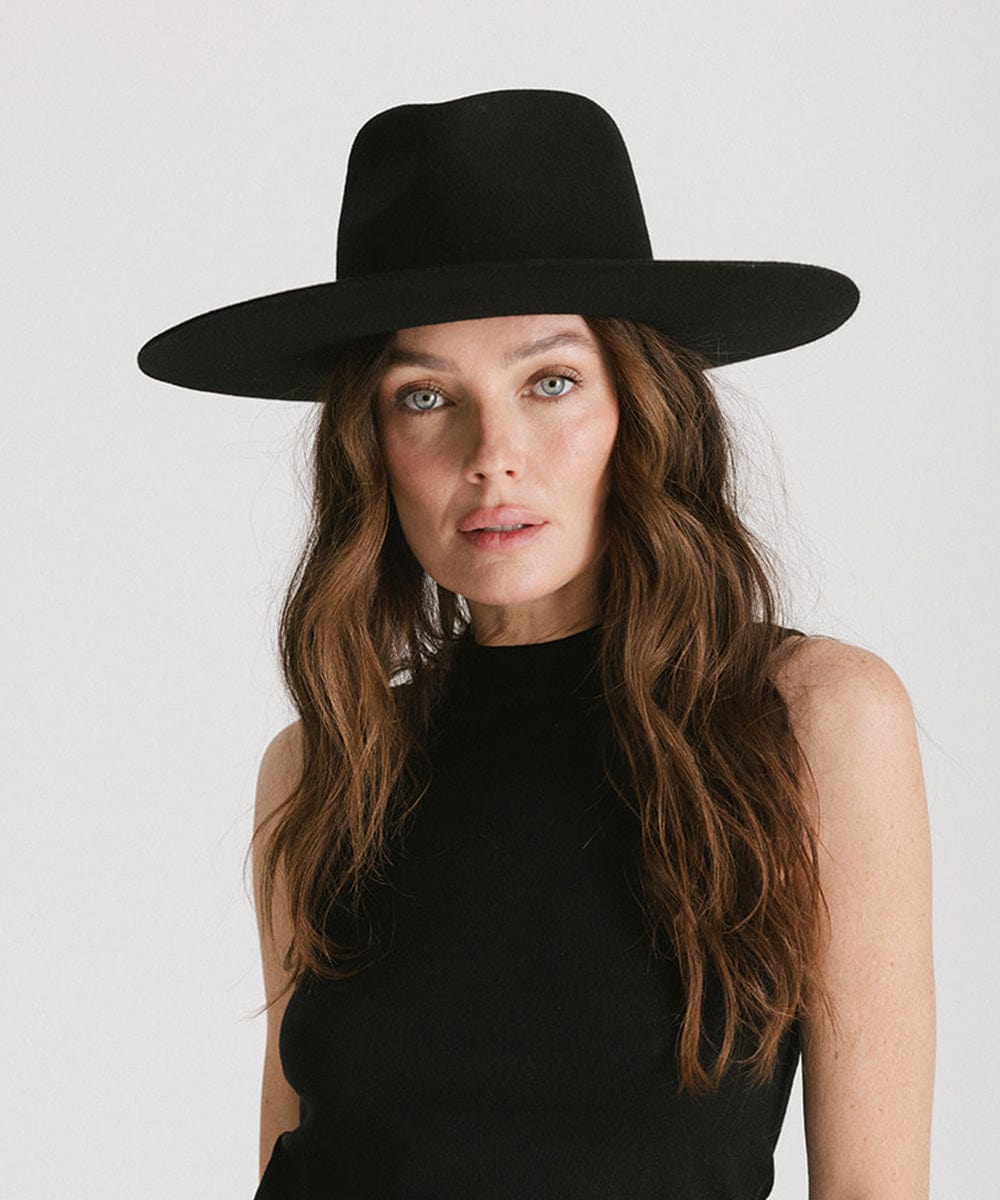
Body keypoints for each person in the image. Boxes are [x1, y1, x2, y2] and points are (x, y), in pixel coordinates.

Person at [137, 89, 935, 1199]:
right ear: (371, 445)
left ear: (638, 410)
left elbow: (873, 1187)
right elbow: (287, 1151)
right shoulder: (325, 768)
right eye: (424, 397)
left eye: (548, 381)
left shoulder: (809, 718)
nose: (490, 455)